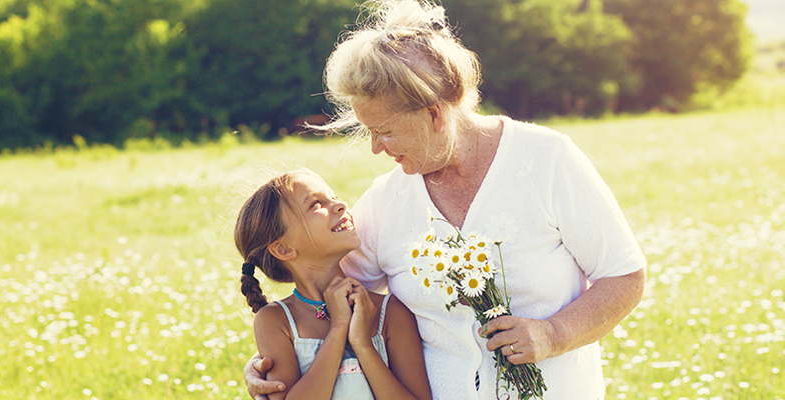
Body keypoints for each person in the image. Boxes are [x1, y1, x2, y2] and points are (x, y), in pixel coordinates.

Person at [244, 0, 647, 399]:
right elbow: (322, 287)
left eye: (384, 130)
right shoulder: (385, 202)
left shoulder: (547, 159)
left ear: (435, 115)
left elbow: (624, 276)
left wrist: (554, 334)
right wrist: (272, 364)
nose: (376, 148)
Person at [234, 168, 432, 400]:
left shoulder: (390, 312)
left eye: (334, 197)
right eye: (316, 204)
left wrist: (362, 344)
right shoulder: (276, 321)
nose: (341, 205)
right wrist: (338, 329)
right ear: (284, 249)